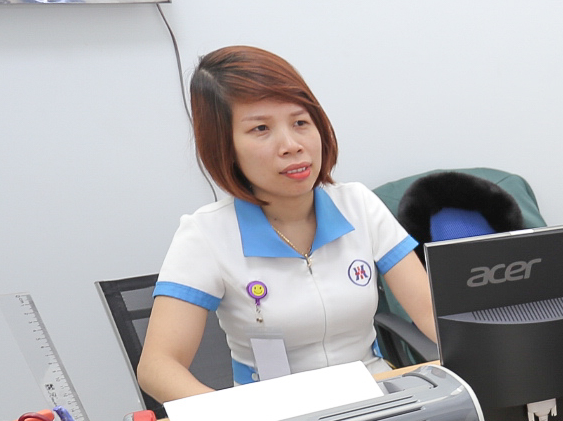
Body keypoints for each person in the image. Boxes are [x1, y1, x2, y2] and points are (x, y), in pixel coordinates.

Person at [136, 46, 439, 402]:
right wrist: (232, 418)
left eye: (300, 123)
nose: (292, 145)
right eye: (261, 128)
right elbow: (157, 367)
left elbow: (432, 315)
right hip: (274, 414)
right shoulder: (206, 234)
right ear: (224, 147)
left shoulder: (358, 205)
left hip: (375, 396)